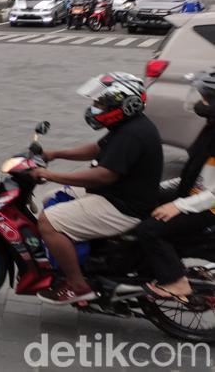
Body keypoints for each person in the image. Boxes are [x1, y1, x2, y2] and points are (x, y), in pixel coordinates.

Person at [33, 72, 163, 304]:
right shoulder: (129, 126)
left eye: (101, 103)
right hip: (119, 194)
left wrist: (51, 174)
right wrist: (54, 154)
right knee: (52, 197)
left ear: (126, 105)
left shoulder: (133, 134)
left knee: (48, 222)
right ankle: (84, 256)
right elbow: (96, 149)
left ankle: (78, 286)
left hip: (123, 206)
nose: (95, 108)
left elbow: (102, 176)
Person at [132, 69, 215, 301]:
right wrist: (156, 188)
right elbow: (194, 175)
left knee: (149, 229)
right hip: (197, 196)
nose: (201, 102)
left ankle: (176, 283)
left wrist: (178, 205)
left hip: (209, 207)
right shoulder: (210, 128)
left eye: (206, 97)